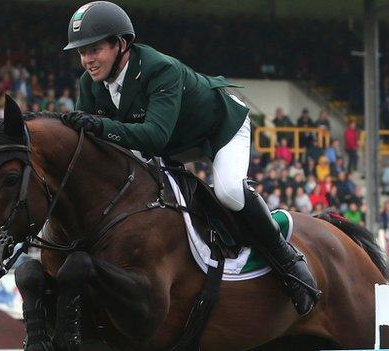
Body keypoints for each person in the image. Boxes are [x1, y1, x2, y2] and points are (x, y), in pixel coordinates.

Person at [60, 1, 319, 318]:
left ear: (121, 44)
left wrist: (100, 126)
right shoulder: (91, 84)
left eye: (94, 50)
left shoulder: (159, 69)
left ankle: (288, 262)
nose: (87, 60)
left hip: (219, 129)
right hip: (174, 141)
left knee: (229, 193)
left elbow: (154, 136)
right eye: (82, 52)